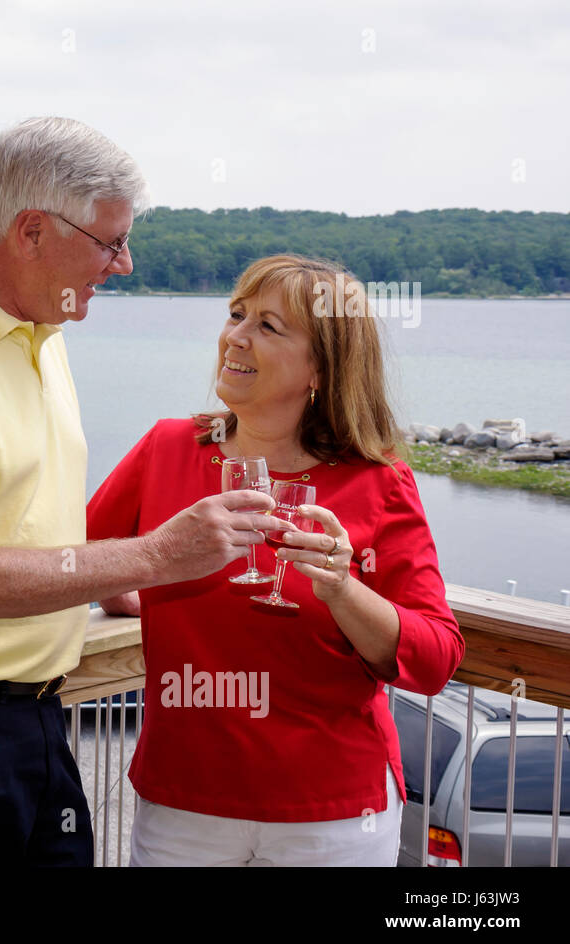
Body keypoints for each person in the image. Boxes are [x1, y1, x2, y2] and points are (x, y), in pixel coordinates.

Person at [0, 117, 298, 866]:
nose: (126, 264)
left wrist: (115, 586)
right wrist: (158, 555)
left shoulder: (42, 335)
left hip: (34, 718)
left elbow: (29, 530)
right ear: (32, 231)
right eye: (109, 242)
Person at [86, 254, 466, 866]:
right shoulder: (166, 449)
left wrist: (343, 589)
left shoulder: (379, 482)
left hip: (332, 816)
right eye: (237, 315)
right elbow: (83, 559)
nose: (236, 336)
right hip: (185, 803)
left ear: (321, 366)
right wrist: (133, 582)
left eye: (268, 325)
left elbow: (434, 659)